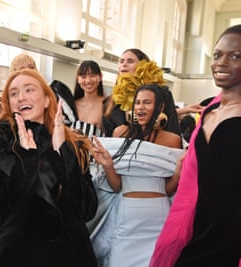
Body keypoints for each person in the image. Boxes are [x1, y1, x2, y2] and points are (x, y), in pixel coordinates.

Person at [0, 69, 98, 267]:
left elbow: (86, 210)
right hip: (17, 256)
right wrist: (27, 163)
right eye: (13, 94)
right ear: (9, 103)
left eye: (29, 90)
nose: (21, 97)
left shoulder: (72, 144)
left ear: (47, 100)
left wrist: (63, 154)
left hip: (70, 255)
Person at [150, 24, 241, 267]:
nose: (221, 63)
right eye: (217, 55)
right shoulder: (209, 112)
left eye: (235, 56)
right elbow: (191, 182)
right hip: (197, 231)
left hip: (234, 240)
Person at [90, 83, 183, 267]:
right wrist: (108, 166)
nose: (140, 107)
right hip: (127, 214)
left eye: (147, 102)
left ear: (160, 107)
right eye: (138, 103)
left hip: (158, 215)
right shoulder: (119, 133)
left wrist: (179, 173)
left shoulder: (172, 139)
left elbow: (168, 189)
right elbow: (117, 186)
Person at [103, 48, 193, 138]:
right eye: (121, 61)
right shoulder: (114, 98)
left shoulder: (162, 93)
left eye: (130, 61)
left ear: (143, 65)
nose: (124, 64)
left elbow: (171, 125)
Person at [73, 60, 109, 138]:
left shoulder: (108, 104)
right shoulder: (71, 105)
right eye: (83, 77)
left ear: (100, 77)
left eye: (92, 75)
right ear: (78, 79)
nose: (88, 80)